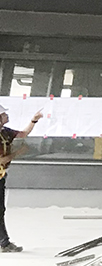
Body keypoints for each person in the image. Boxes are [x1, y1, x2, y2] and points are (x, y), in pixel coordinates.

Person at [0, 106, 45, 252]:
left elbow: (23, 134)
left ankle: (4, 242)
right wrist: (18, 152)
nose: (7, 116)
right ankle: (4, 243)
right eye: (3, 114)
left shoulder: (5, 132)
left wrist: (34, 120)